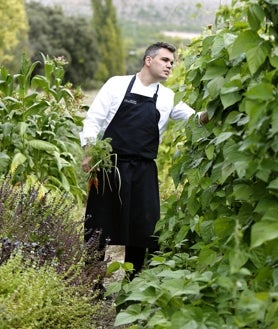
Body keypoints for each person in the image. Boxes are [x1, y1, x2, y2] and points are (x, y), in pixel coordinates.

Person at [80, 41, 207, 279]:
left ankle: (133, 284)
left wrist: (217, 107)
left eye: (172, 62)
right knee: (98, 226)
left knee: (143, 229)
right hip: (110, 166)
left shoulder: (168, 97)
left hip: (144, 171)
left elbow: (195, 119)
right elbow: (93, 120)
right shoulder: (117, 85)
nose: (170, 65)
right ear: (148, 60)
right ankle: (91, 285)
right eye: (165, 60)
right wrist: (88, 149)